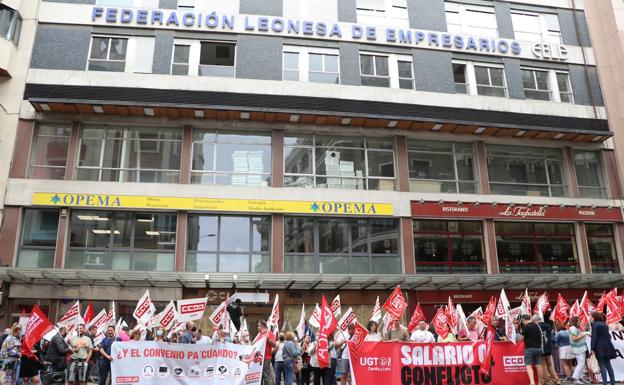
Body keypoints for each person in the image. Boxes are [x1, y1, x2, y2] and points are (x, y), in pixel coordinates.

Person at [590, 312, 617, 385]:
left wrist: (592, 348)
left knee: (602, 365)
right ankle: (612, 383)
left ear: (594, 317)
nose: (590, 318)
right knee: (608, 365)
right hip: (607, 346)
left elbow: (594, 337)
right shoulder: (605, 324)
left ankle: (604, 383)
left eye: (591, 317)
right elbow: (608, 336)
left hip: (599, 347)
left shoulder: (595, 325)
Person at [537, 315, 560, 385]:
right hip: (549, 347)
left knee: (543, 365)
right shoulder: (548, 326)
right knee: (550, 365)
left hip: (541, 348)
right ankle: (556, 380)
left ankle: (547, 381)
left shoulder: (537, 327)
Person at [520, 314, 543, 385]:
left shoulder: (525, 327)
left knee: (529, 366)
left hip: (529, 349)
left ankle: (532, 383)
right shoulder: (537, 325)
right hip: (538, 348)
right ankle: (540, 383)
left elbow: (521, 338)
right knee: (538, 365)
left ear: (523, 320)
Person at [255, 320, 277, 385]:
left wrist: (268, 339)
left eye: (258, 325)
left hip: (266, 358)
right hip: (259, 358)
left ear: (263, 326)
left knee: (266, 376)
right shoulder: (259, 334)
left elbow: (274, 345)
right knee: (260, 377)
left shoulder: (269, 333)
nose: (257, 327)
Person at [569, 316, 589, 385]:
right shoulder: (573, 328)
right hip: (578, 348)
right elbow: (574, 338)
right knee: (581, 363)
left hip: (580, 348)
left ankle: (580, 378)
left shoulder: (574, 328)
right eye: (578, 321)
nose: (579, 322)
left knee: (581, 364)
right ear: (575, 321)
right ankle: (575, 378)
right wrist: (584, 334)